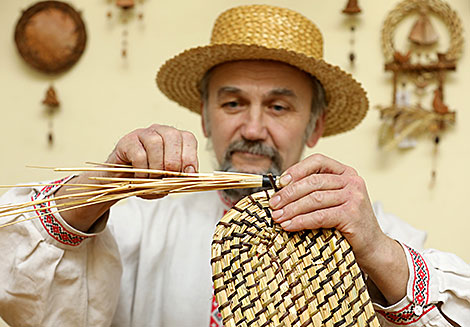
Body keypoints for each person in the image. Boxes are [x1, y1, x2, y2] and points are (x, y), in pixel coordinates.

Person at [0, 4, 468, 327]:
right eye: (232, 103)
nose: (253, 127)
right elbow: (21, 292)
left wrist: (378, 250)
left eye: (280, 108)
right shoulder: (135, 224)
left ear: (316, 125)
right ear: (204, 117)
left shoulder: (373, 232)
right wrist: (98, 187)